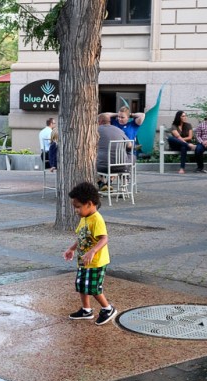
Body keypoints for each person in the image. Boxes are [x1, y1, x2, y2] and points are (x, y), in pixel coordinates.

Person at [63, 182, 117, 326]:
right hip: (84, 261)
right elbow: (81, 237)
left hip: (96, 262)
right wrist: (72, 248)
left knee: (93, 288)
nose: (76, 210)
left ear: (89, 203)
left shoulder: (97, 219)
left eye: (78, 206)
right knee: (81, 285)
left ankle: (108, 308)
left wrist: (93, 251)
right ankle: (86, 310)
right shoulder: (84, 218)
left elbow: (104, 238)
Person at [96, 113, 130, 189]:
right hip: (121, 167)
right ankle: (122, 188)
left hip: (102, 167)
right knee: (121, 160)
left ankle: (101, 183)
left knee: (87, 165)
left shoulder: (96, 131)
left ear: (100, 121)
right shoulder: (119, 130)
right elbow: (130, 145)